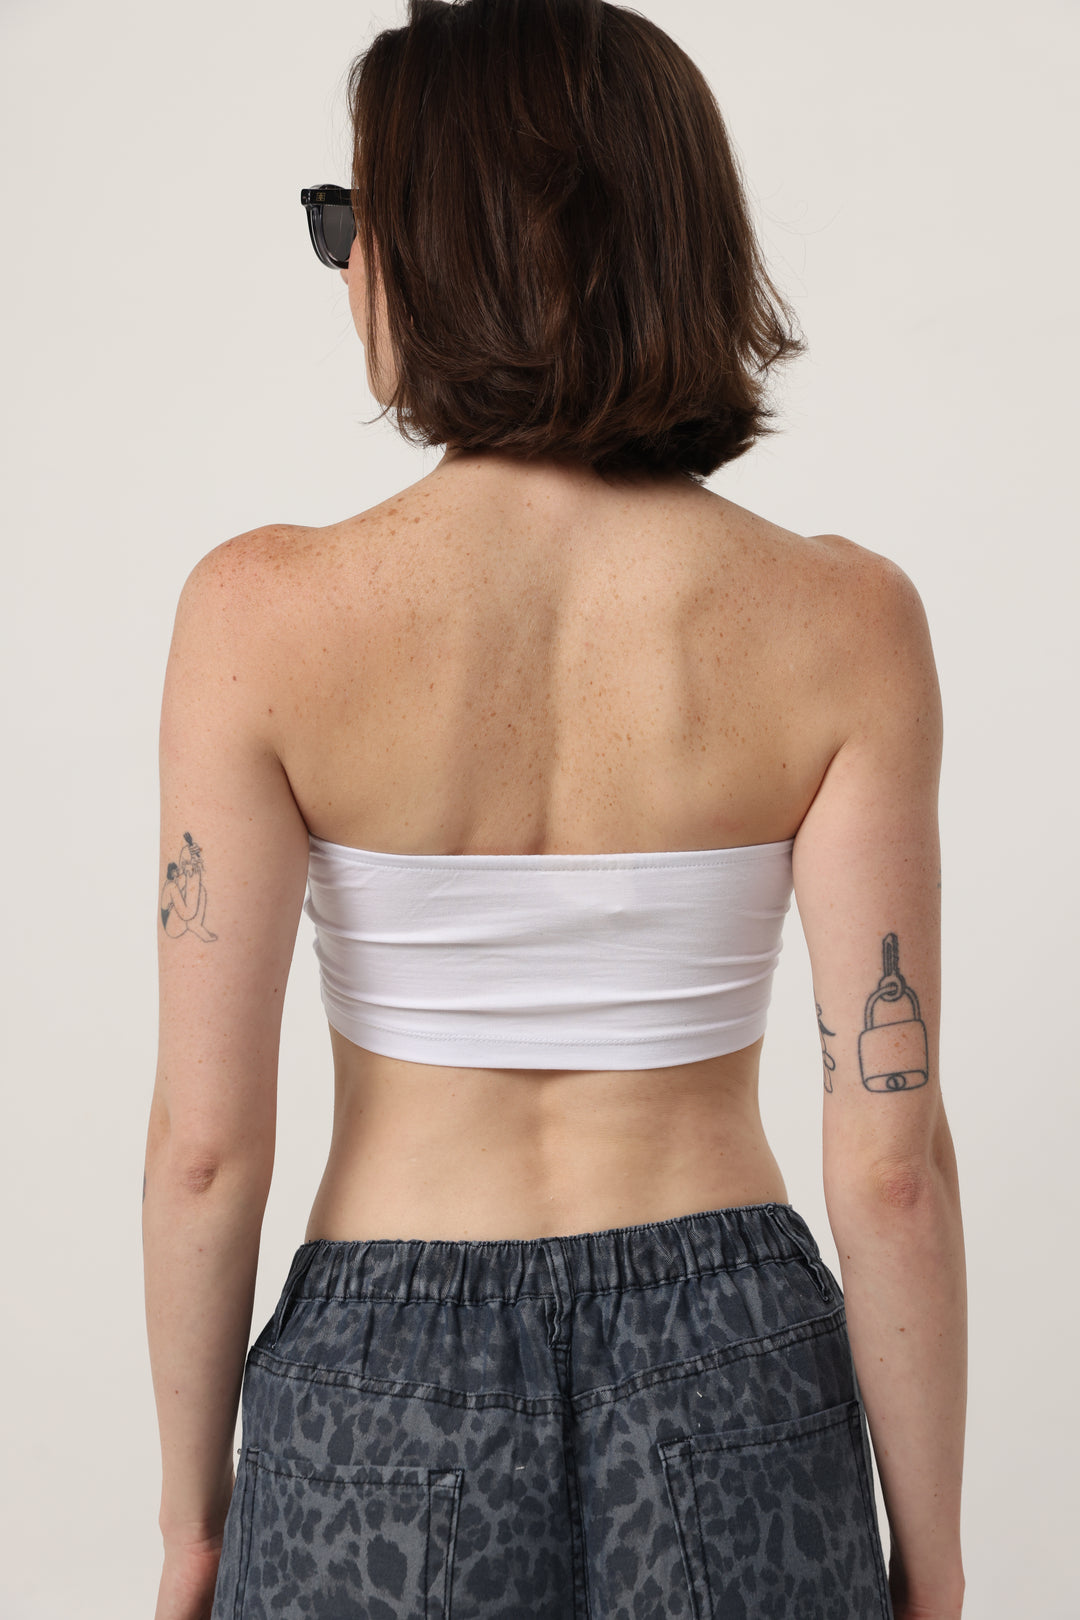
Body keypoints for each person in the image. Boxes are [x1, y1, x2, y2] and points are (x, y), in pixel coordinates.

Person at [142, 2, 967, 1617]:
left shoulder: (260, 617)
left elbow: (203, 1151)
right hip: (735, 1359)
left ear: (446, 252)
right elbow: (891, 1166)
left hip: (382, 1378)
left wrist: (191, 1524)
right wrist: (931, 1564)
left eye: (358, 220)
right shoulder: (845, 622)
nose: (350, 269)